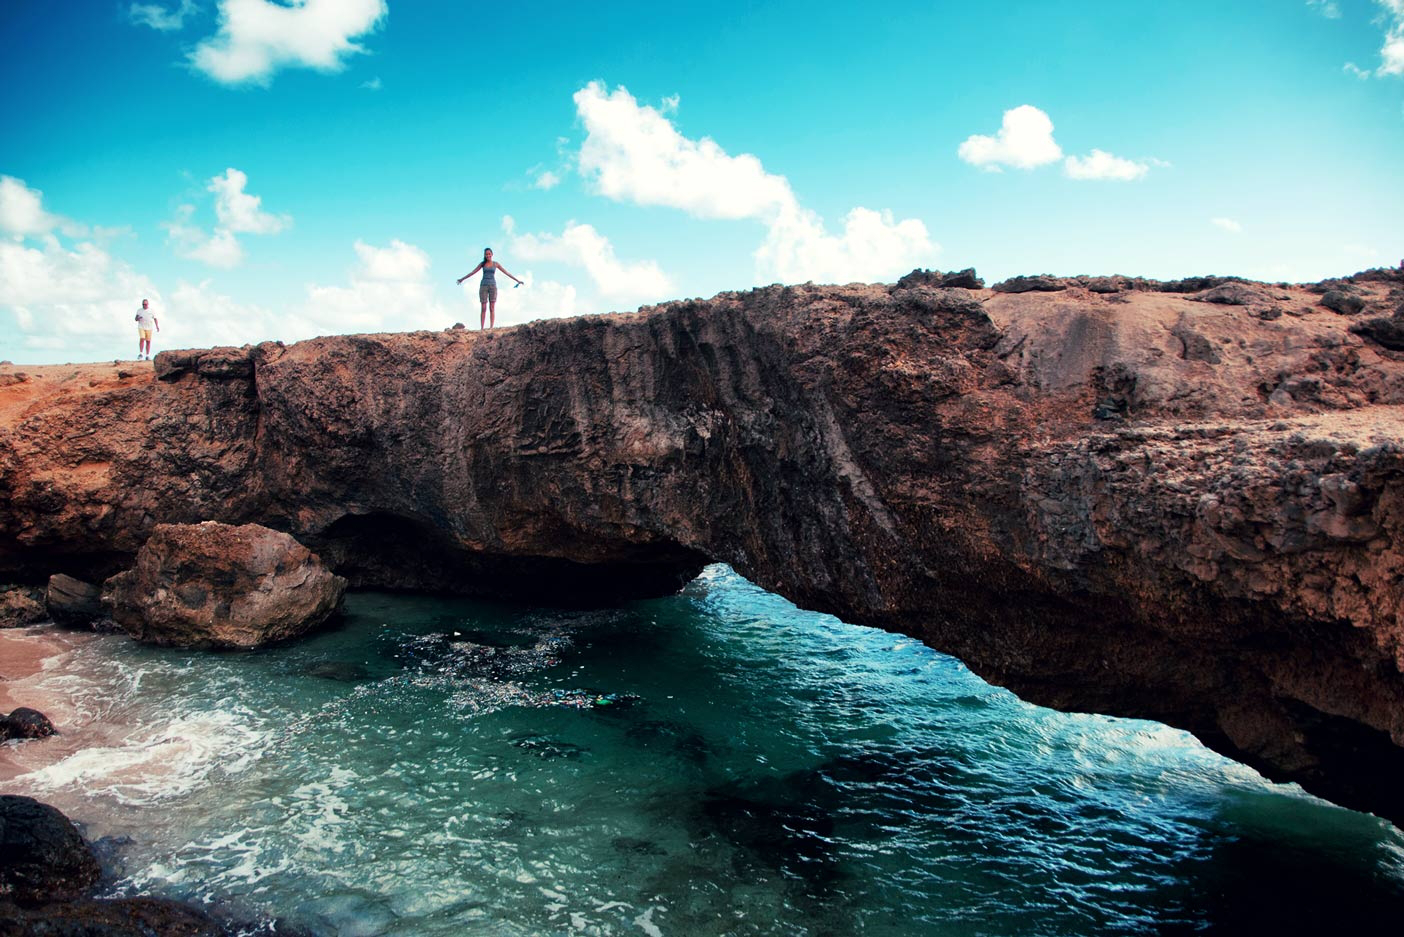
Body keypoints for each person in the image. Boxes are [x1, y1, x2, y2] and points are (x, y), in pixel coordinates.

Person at [456, 248, 522, 330]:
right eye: (486, 254)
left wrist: (517, 280)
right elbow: (472, 272)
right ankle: (482, 328)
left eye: (489, 254)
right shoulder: (482, 264)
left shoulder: (496, 264)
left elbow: (506, 272)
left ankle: (491, 327)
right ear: (484, 255)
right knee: (483, 307)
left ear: (492, 254)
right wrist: (462, 279)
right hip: (483, 286)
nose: (488, 255)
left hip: (493, 286)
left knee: (492, 307)